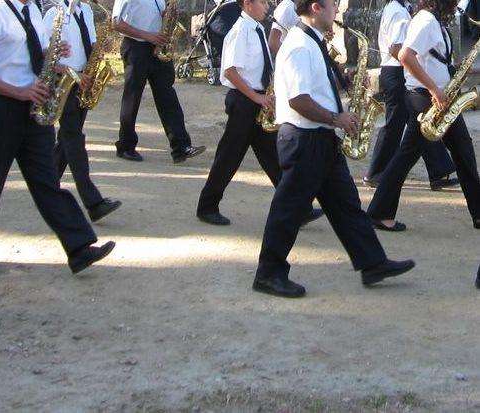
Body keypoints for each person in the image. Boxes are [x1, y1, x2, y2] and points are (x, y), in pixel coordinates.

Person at [252, 0, 415, 298]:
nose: (337, 12)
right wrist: (335, 118)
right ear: (316, 7)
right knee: (288, 210)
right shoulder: (301, 45)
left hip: (320, 138)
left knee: (346, 205)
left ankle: (373, 263)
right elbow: (298, 100)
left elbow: (314, 88)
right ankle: (268, 273)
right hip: (304, 139)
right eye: (333, 6)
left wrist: (346, 82)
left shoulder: (311, 41)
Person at [0, 0, 115, 275]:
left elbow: (33, 55)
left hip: (34, 106)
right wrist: (17, 92)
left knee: (47, 180)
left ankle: (79, 248)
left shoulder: (33, 10)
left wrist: (53, 57)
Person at [196, 0, 322, 226]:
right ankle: (207, 206)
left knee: (275, 158)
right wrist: (257, 97)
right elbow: (230, 71)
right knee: (228, 157)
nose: (267, 7)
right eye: (262, 2)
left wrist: (268, 96)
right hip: (244, 102)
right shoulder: (240, 30)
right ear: (247, 3)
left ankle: (298, 208)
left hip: (257, 101)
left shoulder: (256, 29)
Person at [367, 0, 480, 231]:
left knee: (463, 152)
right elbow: (406, 56)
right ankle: (379, 212)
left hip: (440, 98)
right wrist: (433, 89)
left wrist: (461, 69)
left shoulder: (433, 21)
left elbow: (433, 59)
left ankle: (478, 214)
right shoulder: (426, 20)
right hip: (427, 99)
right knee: (407, 157)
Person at [364, 0, 458, 191]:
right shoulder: (398, 12)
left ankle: (438, 170)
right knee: (396, 124)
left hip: (400, 71)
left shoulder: (401, 9)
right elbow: (396, 49)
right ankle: (376, 173)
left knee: (418, 125)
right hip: (397, 71)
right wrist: (421, 59)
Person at [43, 0, 122, 222]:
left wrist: (102, 49)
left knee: (68, 138)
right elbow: (43, 54)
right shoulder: (53, 13)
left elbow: (90, 44)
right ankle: (93, 202)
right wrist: (67, 70)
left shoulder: (86, 10)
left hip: (85, 80)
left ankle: (47, 186)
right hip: (64, 80)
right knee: (73, 138)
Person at [111, 0, 206, 163]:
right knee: (132, 98)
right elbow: (116, 23)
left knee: (168, 97)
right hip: (136, 47)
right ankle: (126, 146)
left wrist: (166, 17)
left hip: (158, 47)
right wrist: (147, 35)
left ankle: (181, 147)